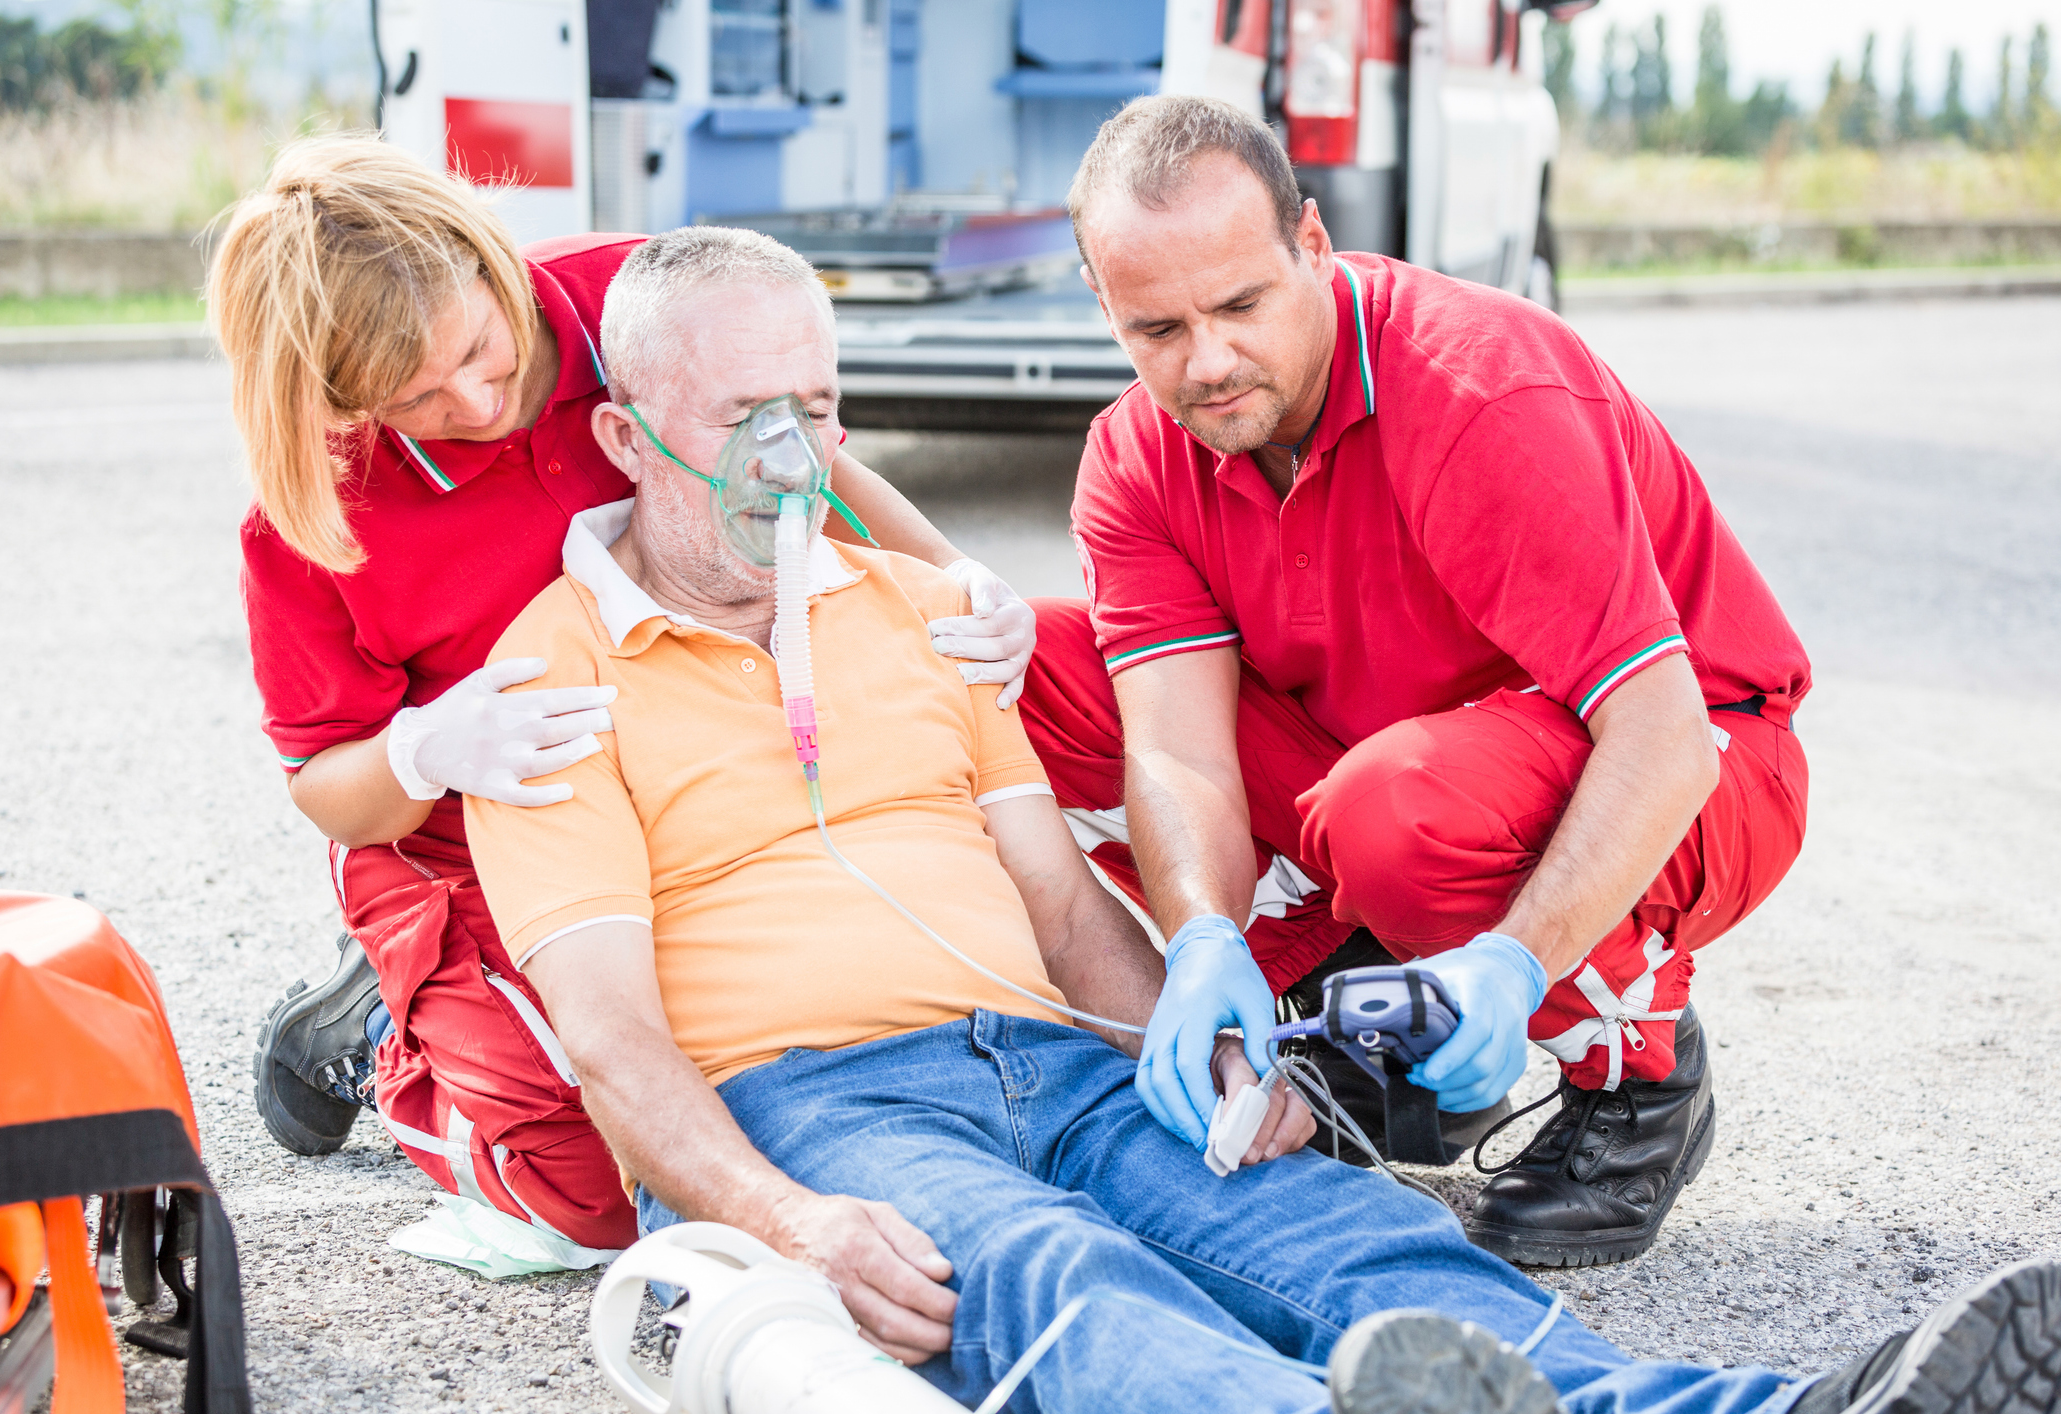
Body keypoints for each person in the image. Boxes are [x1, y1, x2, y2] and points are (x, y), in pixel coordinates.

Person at [460, 224, 2059, 1414]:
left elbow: (1065, 908)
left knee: (1346, 1237)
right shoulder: (546, 684)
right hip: (816, 1106)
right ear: (624, 433)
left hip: (1047, 1057)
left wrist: (1211, 1045)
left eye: (816, 406)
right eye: (744, 413)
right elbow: (610, 1044)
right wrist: (781, 1210)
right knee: (1058, 1277)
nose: (789, 457)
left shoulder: (902, 612)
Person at [1014, 95, 1812, 1267]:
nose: (1210, 361)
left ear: (1316, 246)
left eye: (1241, 304)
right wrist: (1201, 941)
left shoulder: (1478, 390)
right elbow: (1175, 747)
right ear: (1102, 302)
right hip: (1394, 754)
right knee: (1035, 676)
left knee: (1400, 812)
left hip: (1699, 760)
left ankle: (1637, 1079)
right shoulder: (1136, 454)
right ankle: (1355, 1032)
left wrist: (1516, 959)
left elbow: (1668, 733)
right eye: (1158, 329)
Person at [213, 134, 1036, 1253]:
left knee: (738, 1105)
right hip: (479, 833)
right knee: (609, 1190)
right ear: (338, 404)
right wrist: (422, 752)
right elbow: (328, 787)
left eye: (479, 347)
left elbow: (800, 457)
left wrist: (951, 578)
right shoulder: (312, 514)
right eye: (418, 397)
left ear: (485, 255)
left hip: (691, 773)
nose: (476, 398)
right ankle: (385, 1046)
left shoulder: (629, 295)